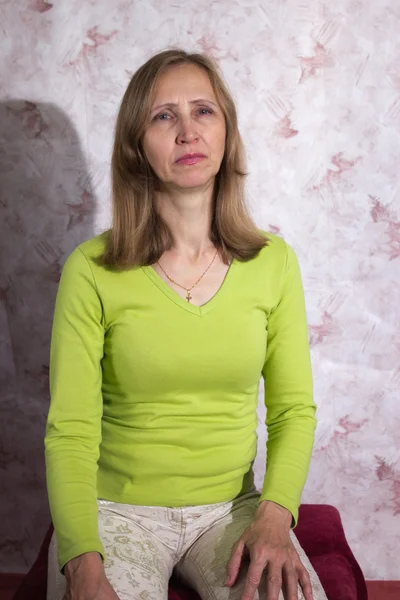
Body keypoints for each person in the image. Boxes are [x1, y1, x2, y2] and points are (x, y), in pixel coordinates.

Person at [44, 48, 328, 600]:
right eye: (162, 116)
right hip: (116, 512)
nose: (186, 132)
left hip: (231, 510)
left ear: (227, 133)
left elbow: (294, 410)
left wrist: (275, 516)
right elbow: (70, 432)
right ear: (137, 147)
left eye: (204, 111)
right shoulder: (91, 270)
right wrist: (81, 561)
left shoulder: (274, 262)